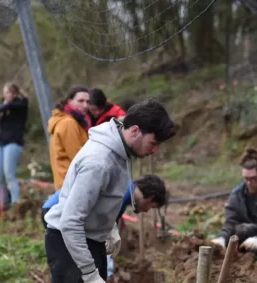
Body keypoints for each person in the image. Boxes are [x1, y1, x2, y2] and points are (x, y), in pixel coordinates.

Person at [44, 98, 176, 283]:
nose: (155, 150)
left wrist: (109, 229)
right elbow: (70, 222)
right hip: (69, 244)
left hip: (91, 240)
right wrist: (89, 274)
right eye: (153, 143)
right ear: (135, 131)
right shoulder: (99, 162)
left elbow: (103, 199)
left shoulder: (122, 152)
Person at [41, 175, 168, 279]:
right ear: (150, 198)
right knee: (70, 265)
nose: (146, 211)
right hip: (56, 212)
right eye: (151, 207)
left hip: (59, 211)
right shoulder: (121, 194)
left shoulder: (125, 189)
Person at [211, 148, 257, 265]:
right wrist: (222, 238)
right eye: (246, 179)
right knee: (240, 232)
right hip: (244, 241)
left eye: (253, 179)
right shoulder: (238, 194)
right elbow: (231, 221)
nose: (249, 183)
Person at [0, 82, 29, 205]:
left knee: (9, 174)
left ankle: (16, 204)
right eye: (5, 93)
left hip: (13, 142)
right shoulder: (5, 106)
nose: (6, 95)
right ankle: (3, 204)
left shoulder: (21, 104)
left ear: (14, 93)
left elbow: (7, 107)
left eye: (8, 93)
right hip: (0, 142)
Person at [48, 86, 91, 191]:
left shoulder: (69, 121)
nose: (85, 105)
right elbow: (78, 157)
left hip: (66, 182)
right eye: (80, 101)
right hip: (71, 184)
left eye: (88, 102)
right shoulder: (69, 123)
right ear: (69, 101)